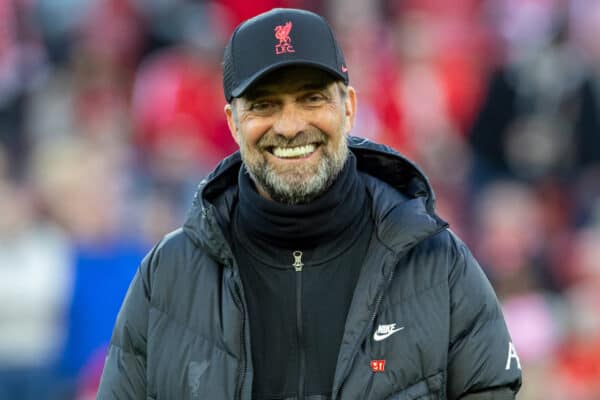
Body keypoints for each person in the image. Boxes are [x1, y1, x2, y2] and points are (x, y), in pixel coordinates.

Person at [97, 8, 522, 400]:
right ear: (232, 122)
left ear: (349, 107)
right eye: (264, 104)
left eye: (312, 99)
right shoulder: (168, 274)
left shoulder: (435, 261)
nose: (290, 125)